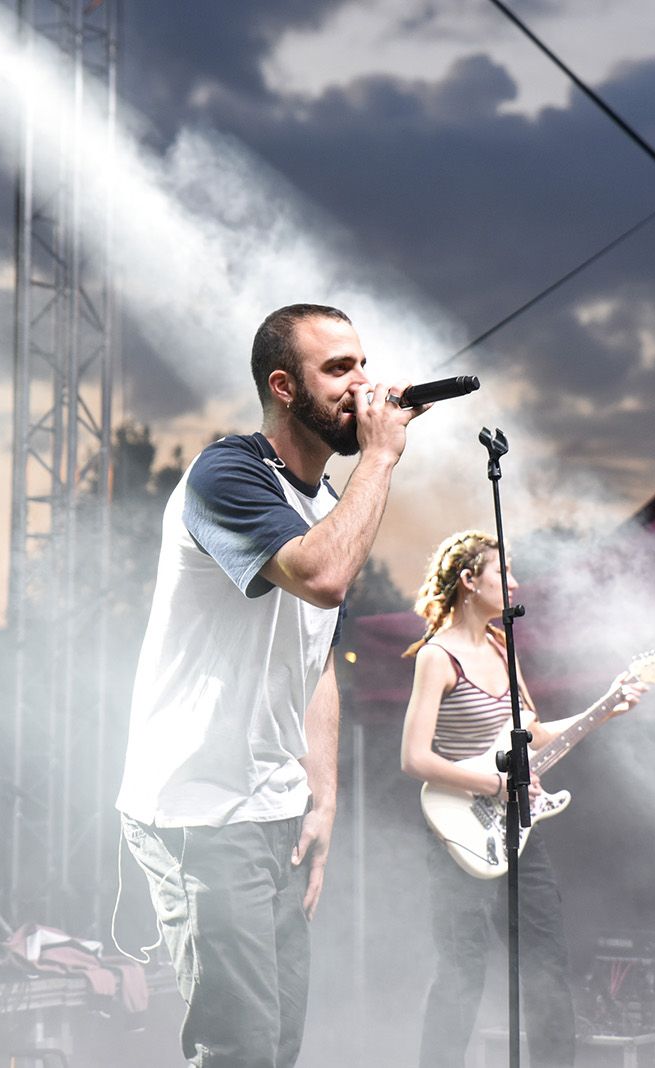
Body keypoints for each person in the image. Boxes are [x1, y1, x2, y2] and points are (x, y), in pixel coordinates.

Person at [117, 303, 423, 1068]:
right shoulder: (226, 475)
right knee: (239, 1050)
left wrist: (320, 800)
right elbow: (321, 579)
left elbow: (313, 660)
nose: (363, 384)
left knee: (278, 1046)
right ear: (285, 387)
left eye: (362, 362)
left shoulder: (323, 505)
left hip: (270, 810)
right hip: (201, 811)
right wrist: (380, 459)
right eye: (339, 369)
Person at [400, 530, 646, 1068]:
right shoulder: (437, 657)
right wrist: (493, 784)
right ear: (468, 581)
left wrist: (607, 705)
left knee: (547, 969)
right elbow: (414, 759)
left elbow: (530, 733)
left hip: (516, 831)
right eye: (501, 573)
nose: (514, 583)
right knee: (461, 972)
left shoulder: (501, 646)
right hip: (457, 833)